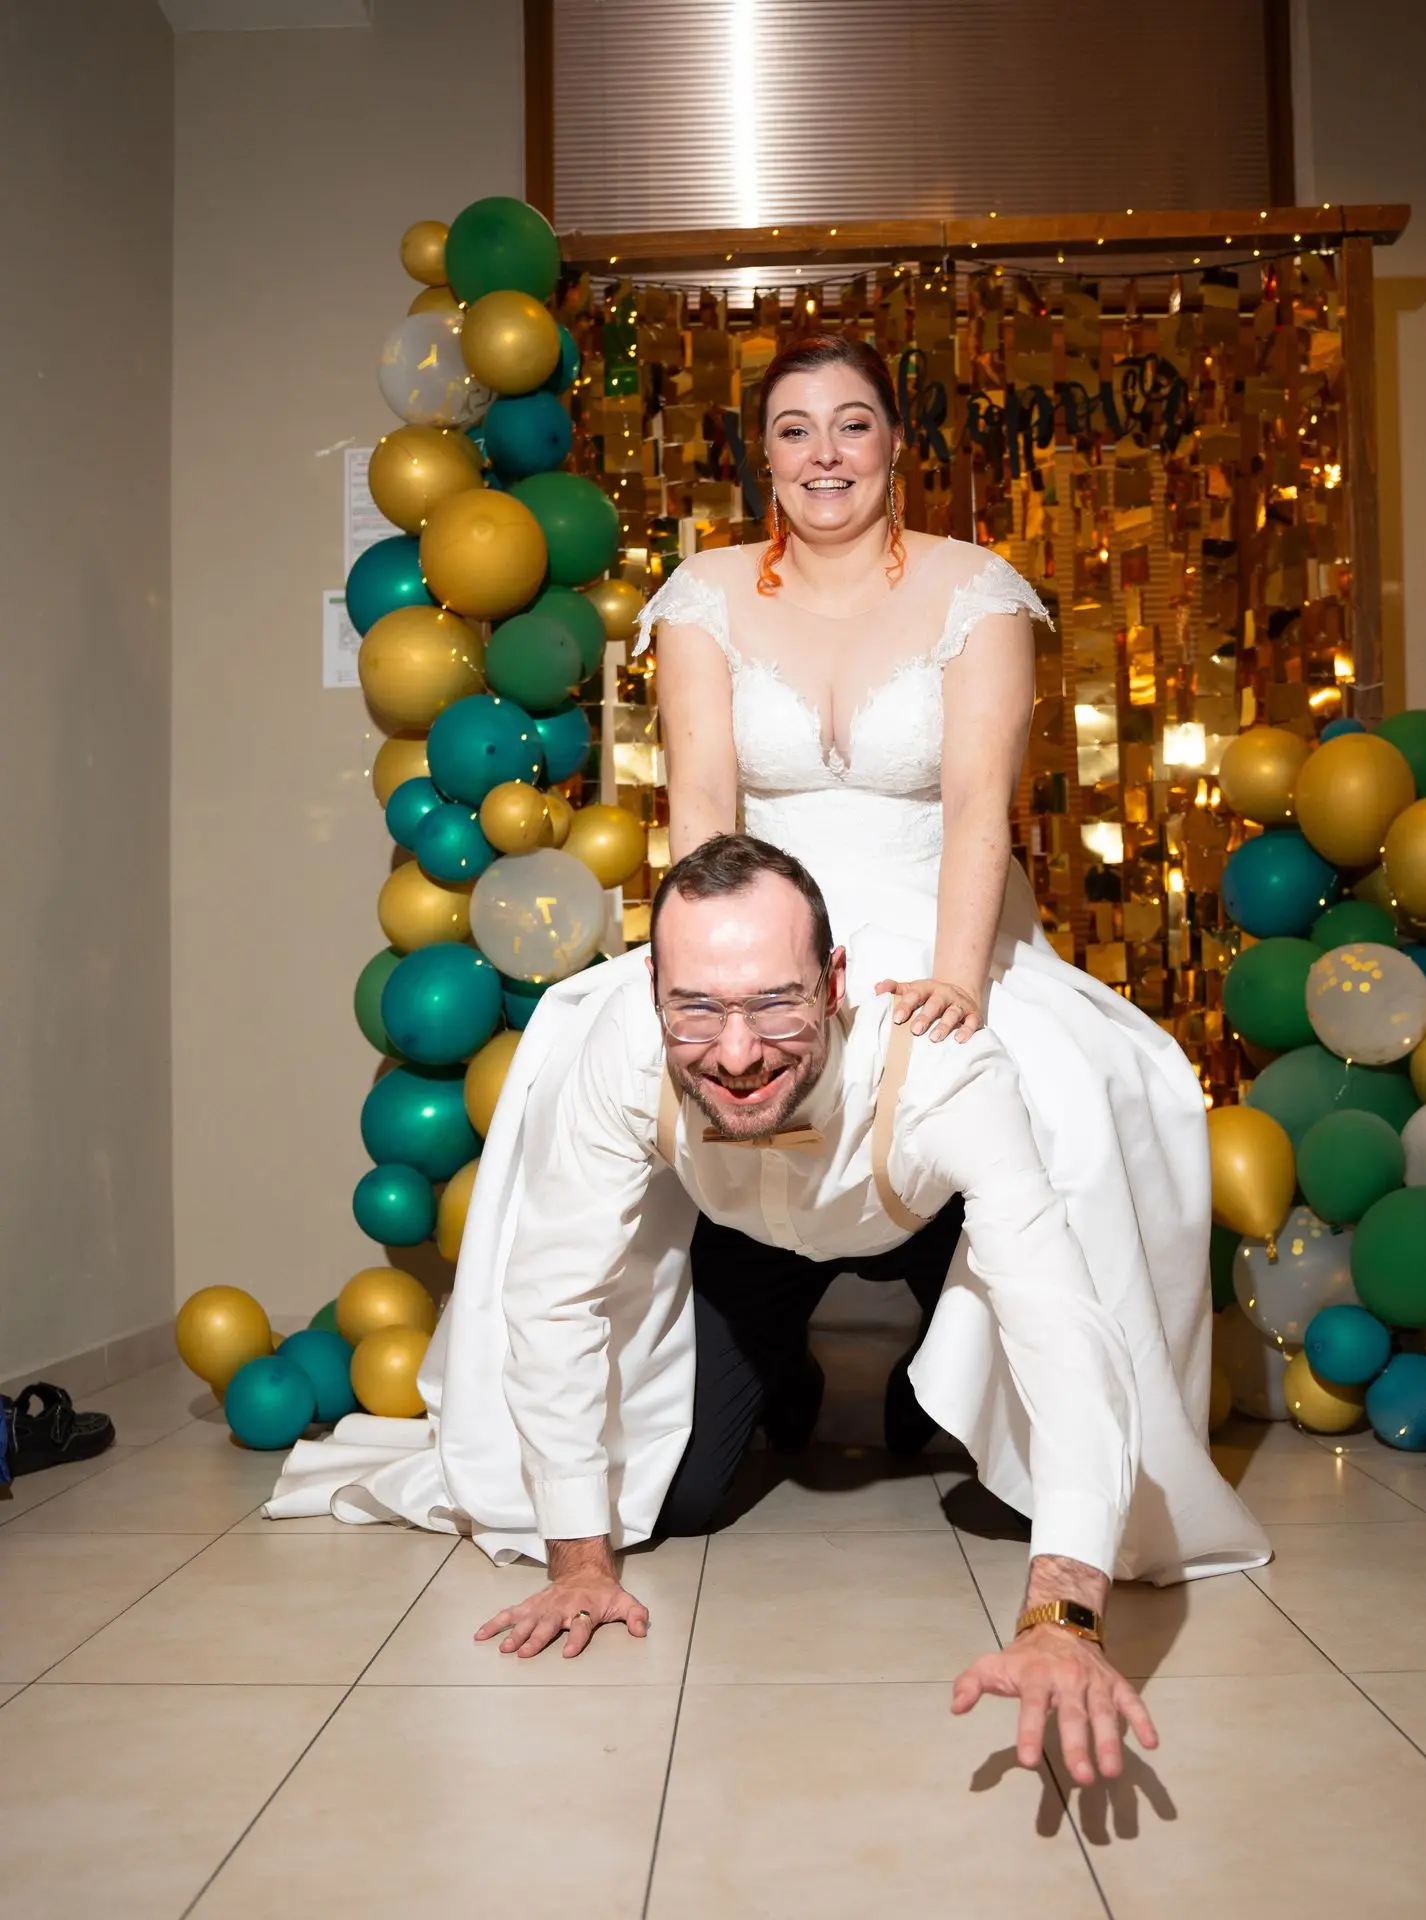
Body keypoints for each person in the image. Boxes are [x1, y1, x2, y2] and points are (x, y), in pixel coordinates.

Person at [268, 332, 1268, 1591]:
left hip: (942, 918)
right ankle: (720, 1379)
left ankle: (1006, 1423)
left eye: (853, 423)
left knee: (1072, 1094)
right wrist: (712, 971)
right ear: (762, 457)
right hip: (758, 921)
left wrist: (960, 980)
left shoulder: (979, 590)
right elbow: (701, 802)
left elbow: (980, 807)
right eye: (795, 429)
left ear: (895, 442)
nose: (825, 453)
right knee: (588, 1066)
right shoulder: (706, 595)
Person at [471, 832, 1160, 1784]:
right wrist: (578, 1562)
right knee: (684, 1500)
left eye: (775, 1004)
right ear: (651, 991)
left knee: (971, 1464)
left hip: (922, 1229)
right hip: (746, 1238)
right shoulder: (620, 1051)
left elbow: (1059, 1320)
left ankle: (916, 1382)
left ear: (834, 983)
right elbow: (553, 1289)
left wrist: (1065, 1615)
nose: (738, 1055)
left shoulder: (942, 1068)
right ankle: (785, 1373)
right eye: (696, 1008)